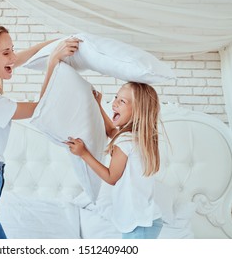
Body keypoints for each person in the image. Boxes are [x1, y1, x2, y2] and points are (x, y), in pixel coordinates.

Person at [0, 23, 81, 239]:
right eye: (6, 52)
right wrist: (53, 61)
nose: (13, 57)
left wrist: (58, 44)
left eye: (12, 49)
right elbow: (40, 109)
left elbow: (25, 57)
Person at [66, 82, 163, 239]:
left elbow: (111, 177)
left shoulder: (125, 141)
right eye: (116, 97)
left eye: (122, 101)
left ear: (137, 111)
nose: (114, 103)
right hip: (146, 220)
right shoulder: (140, 138)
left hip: (138, 224)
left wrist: (84, 154)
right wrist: (97, 105)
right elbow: (111, 130)